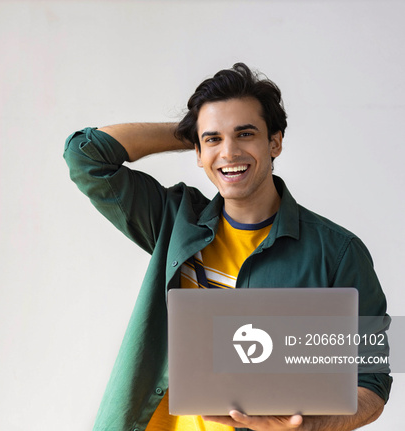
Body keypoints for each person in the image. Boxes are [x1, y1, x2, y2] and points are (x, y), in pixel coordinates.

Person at [63, 63, 392, 431]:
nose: (230, 152)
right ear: (198, 153)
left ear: (275, 142)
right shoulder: (174, 221)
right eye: (213, 139)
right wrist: (193, 132)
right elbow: (85, 156)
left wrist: (311, 426)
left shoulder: (339, 253)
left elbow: (371, 383)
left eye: (245, 134)